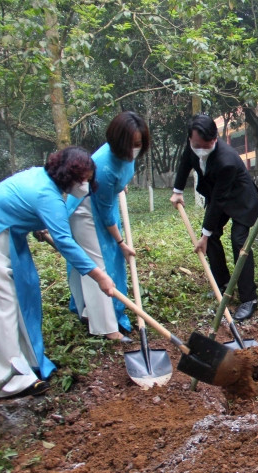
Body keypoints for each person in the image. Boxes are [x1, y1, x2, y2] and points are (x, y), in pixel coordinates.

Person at [0, 147, 116, 397]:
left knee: (23, 298)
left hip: (8, 237)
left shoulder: (42, 178)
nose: (87, 185)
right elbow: (66, 242)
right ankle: (9, 382)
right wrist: (100, 276)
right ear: (68, 176)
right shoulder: (46, 195)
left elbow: (22, 207)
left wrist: (37, 224)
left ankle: (29, 364)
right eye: (84, 180)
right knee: (0, 307)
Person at [67, 111, 149, 341]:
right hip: (86, 210)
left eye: (139, 144)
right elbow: (103, 212)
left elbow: (118, 179)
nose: (135, 149)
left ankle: (88, 310)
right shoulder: (104, 166)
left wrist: (119, 187)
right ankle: (106, 327)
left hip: (105, 201)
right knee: (96, 264)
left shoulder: (126, 157)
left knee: (109, 258)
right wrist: (121, 242)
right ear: (118, 142)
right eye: (132, 145)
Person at [171, 114, 258, 321]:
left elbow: (218, 201)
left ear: (215, 138)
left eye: (208, 143)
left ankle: (249, 298)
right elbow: (186, 161)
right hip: (219, 196)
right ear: (191, 140)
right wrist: (177, 190)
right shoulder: (193, 145)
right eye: (197, 144)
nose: (201, 148)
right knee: (211, 238)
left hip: (241, 200)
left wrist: (203, 234)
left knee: (240, 242)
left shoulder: (226, 160)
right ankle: (221, 283)